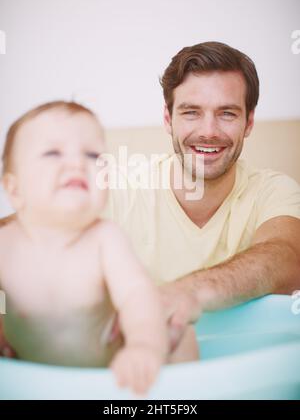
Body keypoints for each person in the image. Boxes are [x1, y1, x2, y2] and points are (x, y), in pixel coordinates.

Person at [1, 40, 300, 351]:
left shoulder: (273, 190)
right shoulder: (114, 190)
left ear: (249, 122)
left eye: (226, 113)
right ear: (168, 119)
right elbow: (14, 238)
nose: (209, 131)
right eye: (191, 112)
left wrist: (187, 293)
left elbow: (287, 261)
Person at [0, 101, 198, 395]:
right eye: (53, 153)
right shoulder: (6, 247)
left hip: (113, 378)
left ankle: (187, 394)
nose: (77, 163)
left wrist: (144, 345)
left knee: (180, 334)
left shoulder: (105, 239)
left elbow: (136, 297)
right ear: (14, 190)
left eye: (93, 155)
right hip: (36, 382)